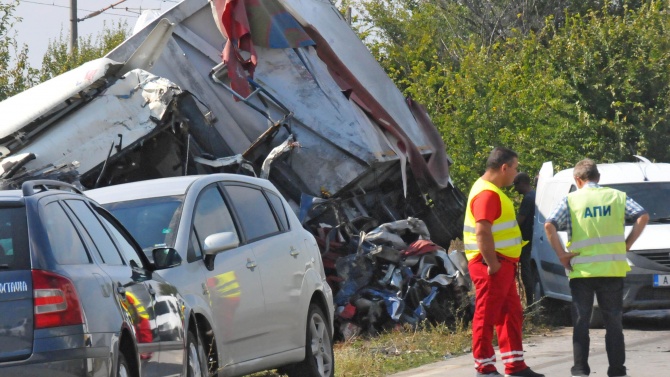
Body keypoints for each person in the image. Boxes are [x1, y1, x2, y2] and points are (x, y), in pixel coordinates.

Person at [544, 158, 648, 377]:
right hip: (612, 270)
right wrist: (627, 244)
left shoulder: (571, 200)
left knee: (581, 321)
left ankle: (580, 369)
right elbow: (642, 216)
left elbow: (549, 224)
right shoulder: (616, 197)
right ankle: (617, 370)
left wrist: (562, 255)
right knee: (614, 323)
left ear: (577, 180)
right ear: (598, 178)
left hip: (581, 271)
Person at [463, 146, 544, 377]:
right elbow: (482, 232)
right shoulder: (487, 193)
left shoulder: (491, 191)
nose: (516, 174)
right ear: (504, 167)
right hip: (492, 263)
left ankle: (515, 365)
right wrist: (492, 264)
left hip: (501, 263)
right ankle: (485, 368)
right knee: (486, 315)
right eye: (515, 168)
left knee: (510, 313)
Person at [513, 172, 536, 307]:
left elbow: (519, 221)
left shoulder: (528, 198)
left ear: (523, 183)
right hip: (530, 240)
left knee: (526, 274)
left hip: (526, 242)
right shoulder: (534, 196)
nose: (515, 188)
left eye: (516, 184)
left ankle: (530, 304)